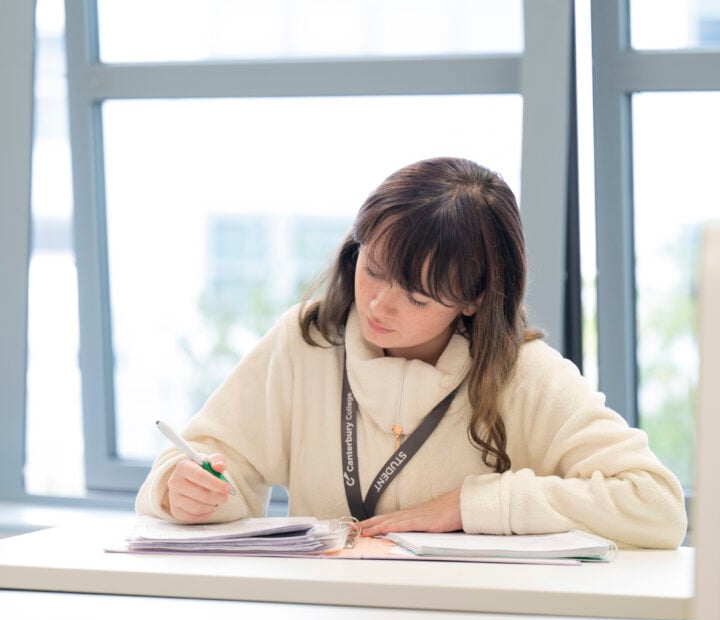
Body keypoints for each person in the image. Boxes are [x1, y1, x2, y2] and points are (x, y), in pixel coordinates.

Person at [136, 156, 687, 548]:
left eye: (417, 296)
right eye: (371, 268)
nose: (378, 304)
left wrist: (471, 506)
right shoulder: (306, 341)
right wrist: (186, 492)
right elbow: (202, 458)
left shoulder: (521, 373)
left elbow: (656, 505)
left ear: (473, 299)